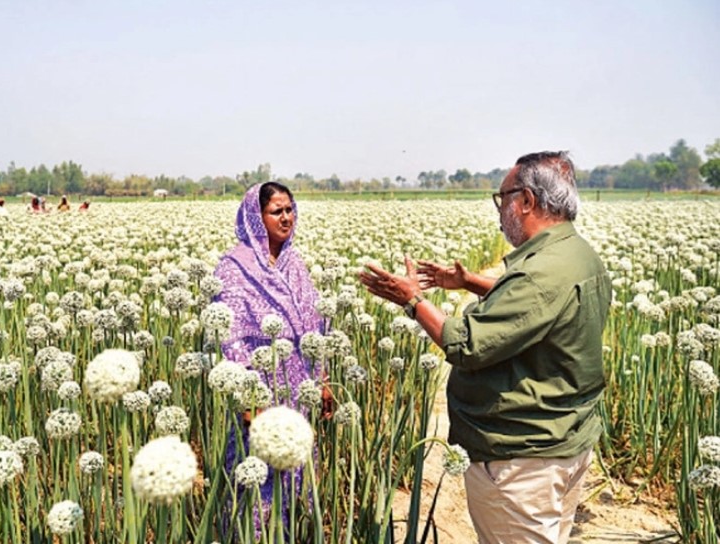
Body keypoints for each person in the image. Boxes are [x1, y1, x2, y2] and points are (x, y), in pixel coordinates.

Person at [359, 151, 611, 544]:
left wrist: (411, 300)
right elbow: (541, 307)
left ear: (527, 201)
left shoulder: (540, 272)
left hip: (523, 460)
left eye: (503, 198)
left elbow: (466, 345)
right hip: (563, 445)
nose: (499, 210)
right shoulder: (577, 255)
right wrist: (470, 283)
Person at [212, 182, 325, 532]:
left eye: (290, 209)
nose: (287, 217)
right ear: (256, 218)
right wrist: (249, 400)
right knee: (257, 488)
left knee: (299, 480)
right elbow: (228, 335)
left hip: (299, 388)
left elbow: (316, 327)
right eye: (277, 211)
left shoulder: (295, 263)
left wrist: (321, 381)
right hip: (259, 391)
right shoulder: (233, 266)